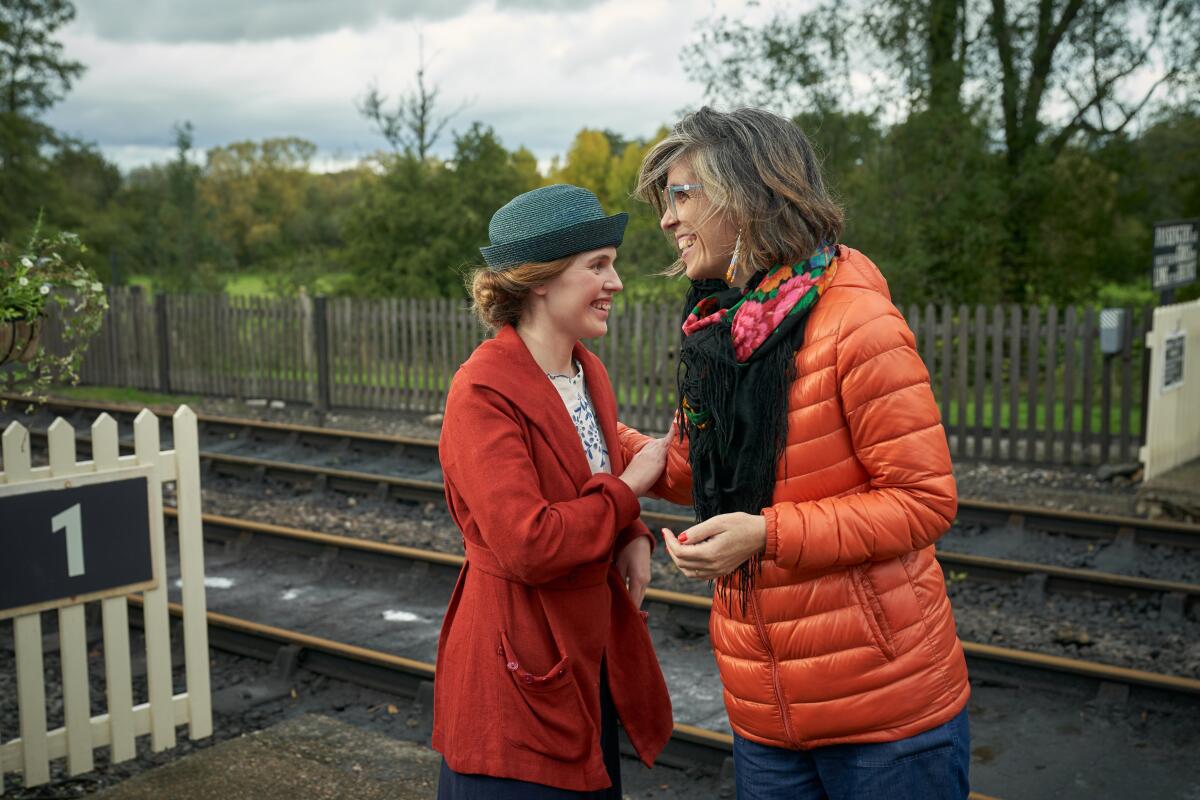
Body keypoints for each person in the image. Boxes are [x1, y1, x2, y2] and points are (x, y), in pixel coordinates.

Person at [620, 107, 971, 800]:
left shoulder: (858, 323)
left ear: (748, 194)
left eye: (683, 193)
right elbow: (697, 471)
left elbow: (924, 502)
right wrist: (597, 433)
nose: (667, 219)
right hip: (765, 716)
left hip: (884, 717)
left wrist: (766, 534)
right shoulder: (718, 328)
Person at [434, 183, 675, 799]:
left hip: (580, 662)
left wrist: (632, 533)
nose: (616, 282)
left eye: (612, 264)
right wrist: (629, 493)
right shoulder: (482, 391)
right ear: (540, 280)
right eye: (597, 265)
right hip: (514, 680)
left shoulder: (582, 370)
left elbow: (580, 469)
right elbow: (529, 543)